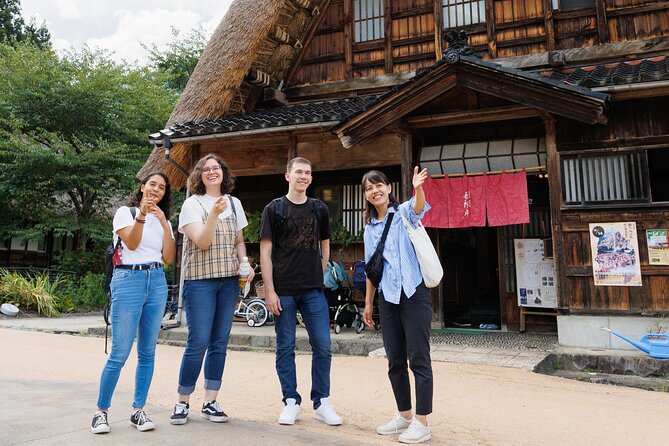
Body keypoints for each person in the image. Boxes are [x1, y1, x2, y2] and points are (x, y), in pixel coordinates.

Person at [260, 157, 343, 426]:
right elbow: (265, 252)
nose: (303, 176)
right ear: (288, 176)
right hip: (283, 290)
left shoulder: (319, 209)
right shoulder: (274, 209)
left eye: (308, 173)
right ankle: (291, 401)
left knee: (323, 345)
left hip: (313, 291)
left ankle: (322, 401)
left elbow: (325, 244)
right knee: (285, 347)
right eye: (298, 172)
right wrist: (269, 290)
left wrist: (319, 272)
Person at [170, 153, 252, 425]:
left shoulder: (235, 203)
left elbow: (239, 240)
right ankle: (182, 402)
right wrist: (214, 214)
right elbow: (203, 242)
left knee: (219, 343)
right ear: (199, 176)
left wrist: (245, 263)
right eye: (205, 169)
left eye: (216, 168)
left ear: (223, 173)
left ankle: (210, 401)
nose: (211, 172)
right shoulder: (192, 204)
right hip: (200, 281)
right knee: (198, 341)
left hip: (228, 281)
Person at [91, 172, 175, 434]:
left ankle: (138, 410)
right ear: (142, 187)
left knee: (148, 352)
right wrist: (142, 215)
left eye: (161, 188)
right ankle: (100, 412)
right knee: (120, 352)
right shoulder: (124, 213)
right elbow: (132, 242)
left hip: (157, 280)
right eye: (152, 185)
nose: (156, 190)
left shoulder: (165, 221)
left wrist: (163, 224)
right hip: (128, 278)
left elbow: (169, 258)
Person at [361, 167, 433, 444]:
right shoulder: (369, 228)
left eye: (378, 185)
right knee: (394, 360)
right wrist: (368, 304)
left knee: (419, 359)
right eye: (369, 188)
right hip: (387, 298)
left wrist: (418, 188)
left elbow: (418, 207)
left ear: (389, 188)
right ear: (366, 195)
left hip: (413, 295)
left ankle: (422, 422)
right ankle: (404, 416)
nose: (374, 191)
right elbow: (371, 269)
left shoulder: (403, 213)